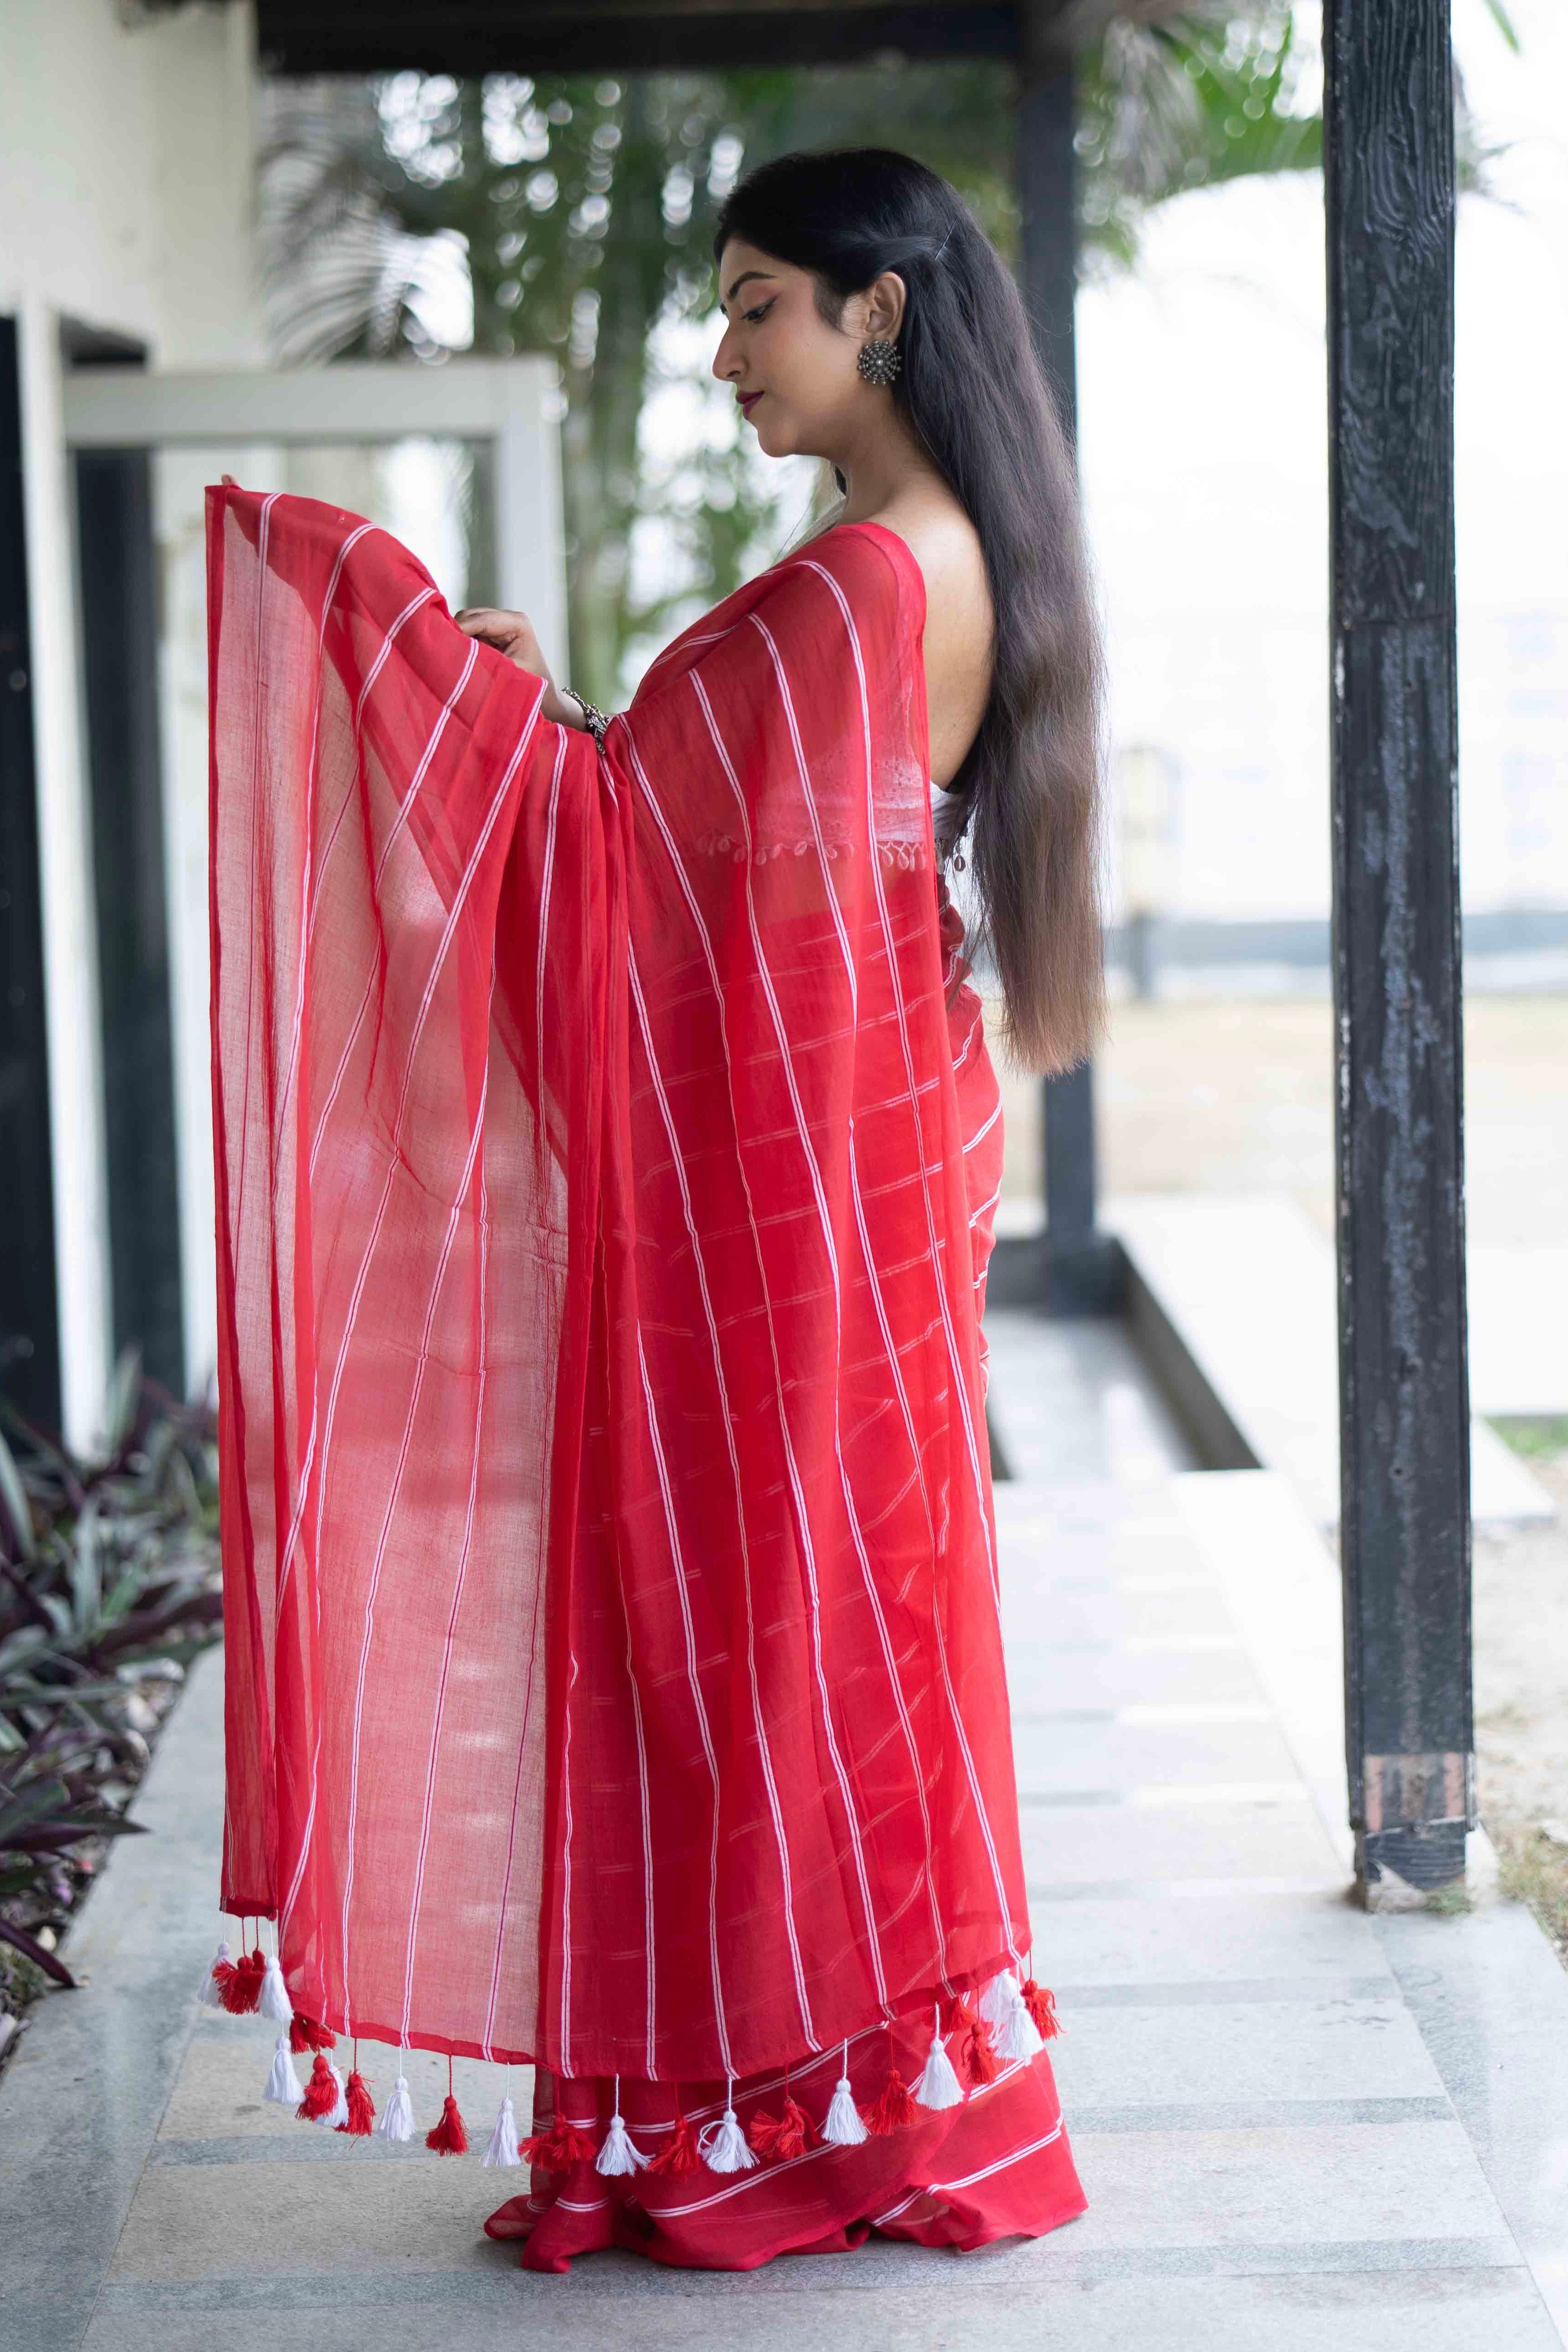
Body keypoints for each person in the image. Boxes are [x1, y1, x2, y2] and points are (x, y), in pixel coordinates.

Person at [206, 146, 1102, 2275]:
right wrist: (552, 723)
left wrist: (382, 632)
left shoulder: (866, 582)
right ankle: (872, 2090)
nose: (725, 355)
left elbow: (614, 851)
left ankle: (756, 2121)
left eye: (759, 304)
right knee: (836, 1618)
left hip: (787, 1198)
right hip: (861, 1151)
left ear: (879, 310)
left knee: (746, 1627)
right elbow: (701, 848)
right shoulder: (960, 558)